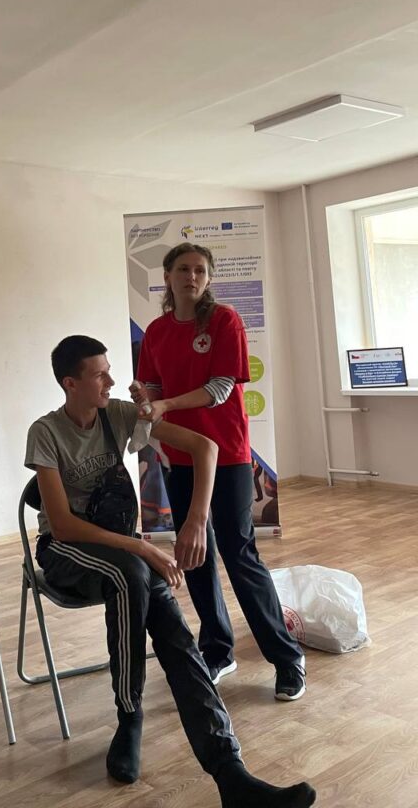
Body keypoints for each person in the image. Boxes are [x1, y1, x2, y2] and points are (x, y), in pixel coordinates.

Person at [25, 335, 315, 807]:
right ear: (70, 383)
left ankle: (230, 771)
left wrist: (197, 520)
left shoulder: (118, 415)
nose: (112, 381)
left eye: (109, 370)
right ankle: (129, 715)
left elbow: (205, 448)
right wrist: (142, 547)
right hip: (66, 553)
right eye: (100, 374)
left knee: (177, 636)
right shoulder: (45, 432)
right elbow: (62, 525)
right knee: (132, 574)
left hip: (126, 561)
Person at [133, 242, 306, 700]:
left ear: (208, 279)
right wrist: (147, 401)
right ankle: (217, 650)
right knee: (195, 555)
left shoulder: (225, 320)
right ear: (167, 277)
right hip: (178, 455)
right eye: (183, 269)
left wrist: (166, 404)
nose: (191, 276)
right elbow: (153, 385)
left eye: (199, 270)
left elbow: (221, 388)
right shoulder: (156, 331)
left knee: (238, 551)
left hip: (226, 455)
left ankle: (287, 657)